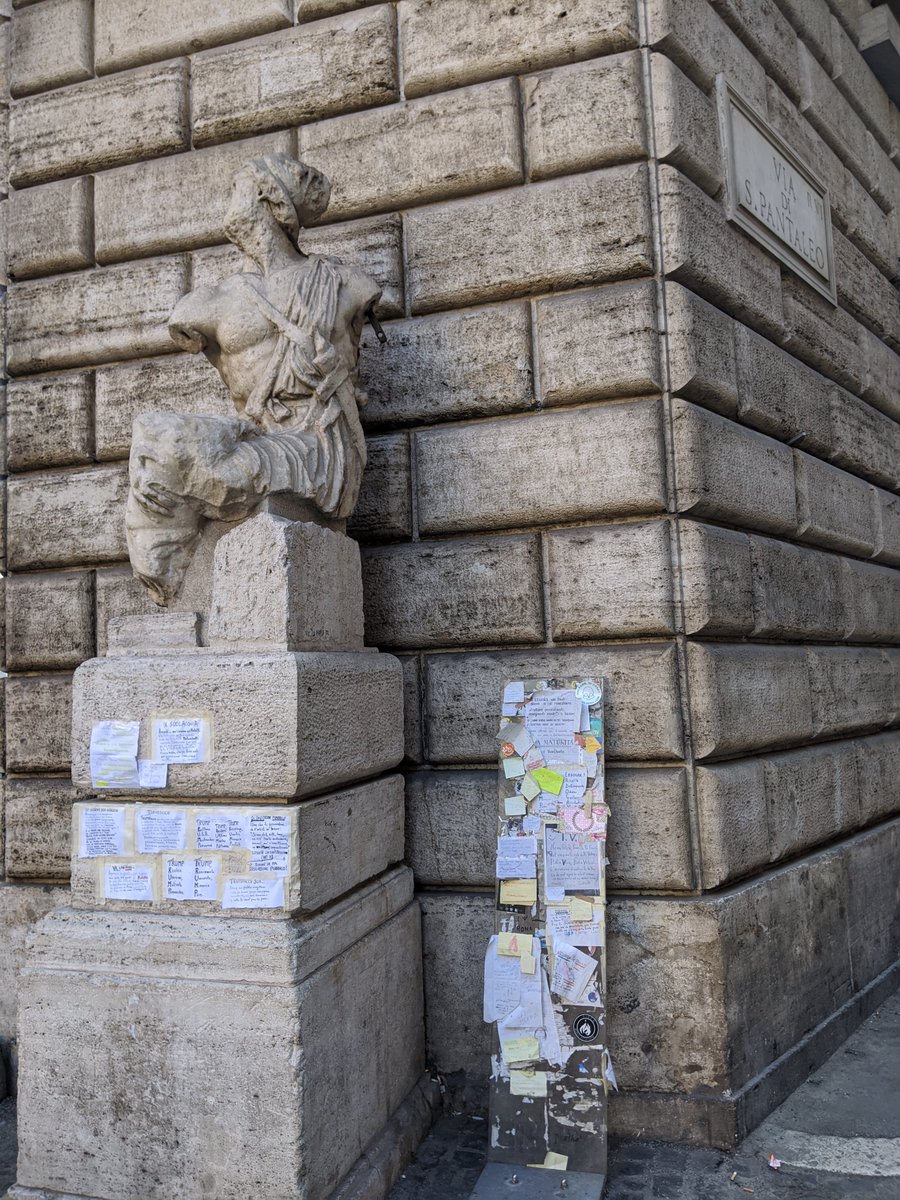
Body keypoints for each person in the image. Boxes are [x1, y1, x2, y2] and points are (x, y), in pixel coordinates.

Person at [125, 154, 381, 605]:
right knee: (155, 440)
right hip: (257, 433)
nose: (228, 203)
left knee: (214, 469)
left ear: (268, 200)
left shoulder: (343, 284)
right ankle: (173, 595)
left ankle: (196, 599)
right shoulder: (205, 303)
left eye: (237, 190)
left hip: (316, 441)